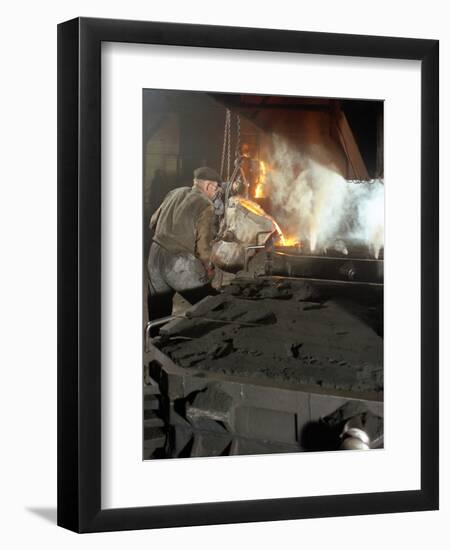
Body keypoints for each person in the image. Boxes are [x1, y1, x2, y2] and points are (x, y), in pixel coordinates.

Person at [147, 166, 222, 320]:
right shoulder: (206, 205)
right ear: (209, 186)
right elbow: (203, 246)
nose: (216, 195)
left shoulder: (175, 192)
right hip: (178, 261)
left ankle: (157, 339)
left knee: (159, 309)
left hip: (154, 256)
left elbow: (152, 222)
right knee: (213, 304)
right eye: (216, 190)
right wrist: (208, 267)